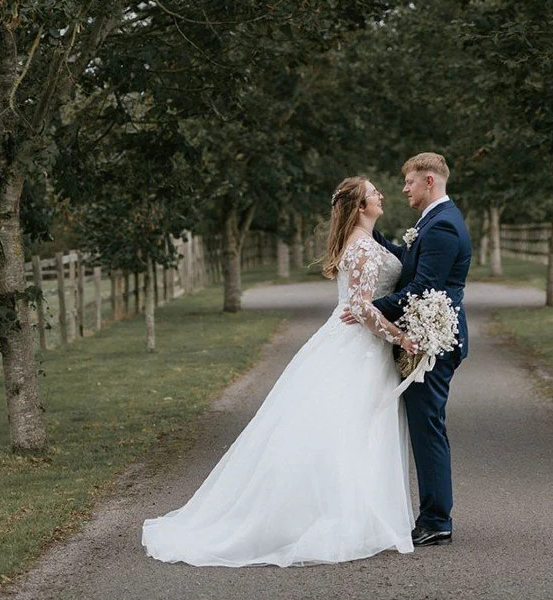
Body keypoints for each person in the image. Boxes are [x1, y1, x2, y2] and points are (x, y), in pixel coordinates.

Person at [142, 176, 419, 567]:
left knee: (357, 428)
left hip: (360, 349)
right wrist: (401, 338)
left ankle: (359, 512)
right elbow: (359, 307)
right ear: (360, 206)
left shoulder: (368, 243)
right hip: (356, 348)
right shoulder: (361, 249)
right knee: (346, 426)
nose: (381, 195)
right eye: (374, 192)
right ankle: (330, 516)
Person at [342, 151, 471, 547]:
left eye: (410, 182)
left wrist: (366, 309)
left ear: (429, 181)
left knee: (427, 425)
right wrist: (369, 234)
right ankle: (432, 514)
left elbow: (420, 289)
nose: (404, 189)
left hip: (434, 340)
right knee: (422, 423)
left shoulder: (444, 226)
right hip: (423, 334)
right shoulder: (432, 222)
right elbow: (408, 263)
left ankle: (437, 520)